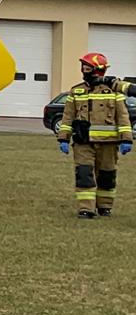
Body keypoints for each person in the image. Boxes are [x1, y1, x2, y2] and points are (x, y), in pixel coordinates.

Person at [56, 52, 134, 218]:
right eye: (83, 68)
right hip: (83, 142)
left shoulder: (113, 91)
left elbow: (123, 117)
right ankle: (86, 209)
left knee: (107, 175)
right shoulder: (76, 91)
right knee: (84, 174)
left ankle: (104, 206)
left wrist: (127, 139)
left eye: (87, 68)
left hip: (108, 143)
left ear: (98, 70)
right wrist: (63, 137)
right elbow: (68, 116)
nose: (84, 71)